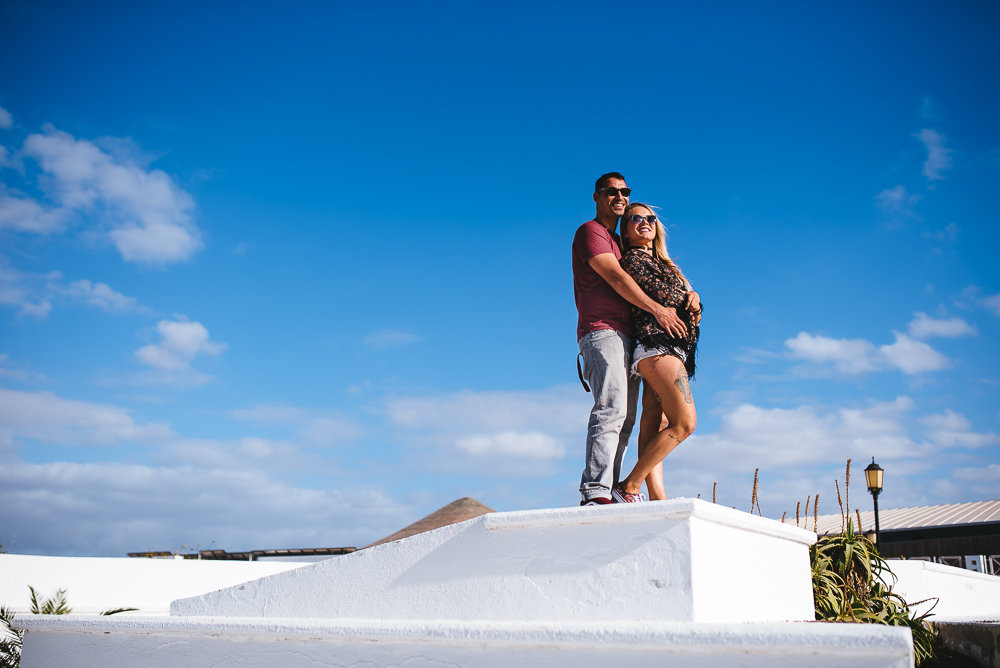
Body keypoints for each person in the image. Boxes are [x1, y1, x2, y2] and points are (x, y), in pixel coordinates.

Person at [572, 174, 689, 505]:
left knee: (627, 417)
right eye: (612, 192)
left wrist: (689, 293)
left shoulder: (620, 243)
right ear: (597, 196)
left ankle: (612, 490)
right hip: (602, 329)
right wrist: (660, 311)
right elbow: (614, 276)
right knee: (611, 409)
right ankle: (595, 491)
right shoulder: (591, 232)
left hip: (630, 337)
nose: (620, 197)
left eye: (625, 192)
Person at [611, 202, 701, 503]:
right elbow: (663, 295)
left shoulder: (665, 265)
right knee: (685, 423)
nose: (644, 222)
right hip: (657, 346)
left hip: (669, 348)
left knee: (656, 422)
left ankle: (656, 496)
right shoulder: (634, 260)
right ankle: (629, 486)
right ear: (625, 228)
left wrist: (693, 297)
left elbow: (685, 305)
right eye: (635, 218)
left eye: (650, 218)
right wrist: (689, 295)